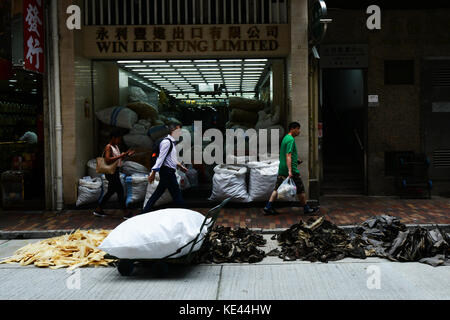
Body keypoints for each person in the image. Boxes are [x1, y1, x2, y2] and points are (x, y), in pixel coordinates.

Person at [263, 122, 319, 215]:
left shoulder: (285, 138)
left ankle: (268, 207)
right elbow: (288, 155)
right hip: (291, 169)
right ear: (293, 129)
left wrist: (296, 160)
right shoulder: (291, 140)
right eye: (298, 129)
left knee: (276, 189)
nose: (299, 131)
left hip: (282, 168)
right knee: (300, 190)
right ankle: (306, 209)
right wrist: (290, 170)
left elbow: (288, 154)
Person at [142, 123, 188, 213]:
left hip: (168, 172)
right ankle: (185, 213)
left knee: (158, 193)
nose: (180, 132)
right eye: (178, 130)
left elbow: (172, 159)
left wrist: (181, 166)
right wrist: (153, 174)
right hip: (167, 173)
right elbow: (160, 159)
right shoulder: (166, 142)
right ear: (172, 131)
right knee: (177, 195)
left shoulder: (171, 142)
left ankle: (144, 212)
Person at [93, 129, 135, 219]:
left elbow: (118, 160)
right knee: (120, 191)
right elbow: (108, 160)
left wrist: (126, 155)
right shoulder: (108, 147)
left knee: (111, 191)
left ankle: (98, 209)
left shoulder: (116, 146)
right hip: (111, 173)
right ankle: (126, 212)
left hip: (115, 171)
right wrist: (121, 155)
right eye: (118, 139)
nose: (119, 141)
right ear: (113, 138)